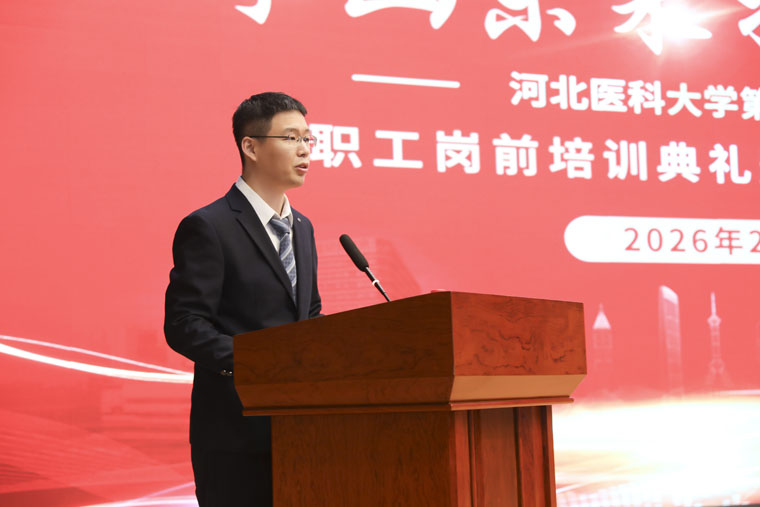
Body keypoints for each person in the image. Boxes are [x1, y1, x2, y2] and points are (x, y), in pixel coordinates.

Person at [164, 92, 322, 506]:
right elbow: (184, 325)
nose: (305, 149)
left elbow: (309, 314)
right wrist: (262, 363)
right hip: (235, 434)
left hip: (303, 429)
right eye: (291, 137)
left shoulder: (302, 227)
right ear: (250, 146)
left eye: (308, 138)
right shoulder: (209, 226)